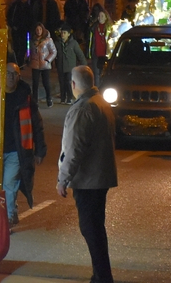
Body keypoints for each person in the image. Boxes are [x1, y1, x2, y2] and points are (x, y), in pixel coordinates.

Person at [57, 66, 117, 283]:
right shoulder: (101, 103)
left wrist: (63, 178)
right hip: (100, 176)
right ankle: (101, 275)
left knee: (91, 230)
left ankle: (102, 277)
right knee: (96, 229)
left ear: (73, 85)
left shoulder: (83, 109)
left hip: (88, 179)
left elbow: (74, 149)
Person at [3, 63, 47, 227]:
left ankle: (7, 218)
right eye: (7, 73)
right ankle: (8, 213)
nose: (10, 77)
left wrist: (40, 150)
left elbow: (37, 123)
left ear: (19, 77)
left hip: (17, 150)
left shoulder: (24, 97)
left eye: (14, 74)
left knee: (9, 183)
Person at [56, 23, 88, 105]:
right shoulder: (58, 43)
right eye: (62, 33)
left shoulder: (73, 43)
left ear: (68, 34)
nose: (63, 34)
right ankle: (63, 98)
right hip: (60, 67)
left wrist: (84, 65)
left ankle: (69, 97)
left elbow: (80, 54)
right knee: (62, 82)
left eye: (65, 33)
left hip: (70, 67)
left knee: (69, 82)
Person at [29, 23, 58, 108]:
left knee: (46, 83)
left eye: (40, 29)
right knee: (35, 83)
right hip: (35, 64)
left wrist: (47, 60)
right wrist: (28, 58)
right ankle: (35, 100)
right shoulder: (32, 40)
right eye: (37, 30)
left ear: (43, 30)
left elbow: (53, 51)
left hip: (45, 65)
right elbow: (29, 50)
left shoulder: (48, 40)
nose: (38, 31)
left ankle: (49, 98)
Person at [7, 0, 34, 67]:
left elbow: (31, 18)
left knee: (23, 47)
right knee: (16, 46)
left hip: (25, 30)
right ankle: (16, 62)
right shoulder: (15, 6)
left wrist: (30, 27)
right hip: (16, 29)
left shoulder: (28, 7)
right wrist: (13, 26)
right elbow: (10, 16)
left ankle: (20, 62)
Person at [87, 4, 112, 81]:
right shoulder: (93, 28)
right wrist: (89, 54)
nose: (100, 18)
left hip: (106, 55)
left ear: (106, 17)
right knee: (96, 74)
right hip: (96, 54)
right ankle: (97, 90)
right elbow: (90, 41)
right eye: (98, 16)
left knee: (104, 74)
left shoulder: (109, 28)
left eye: (102, 16)